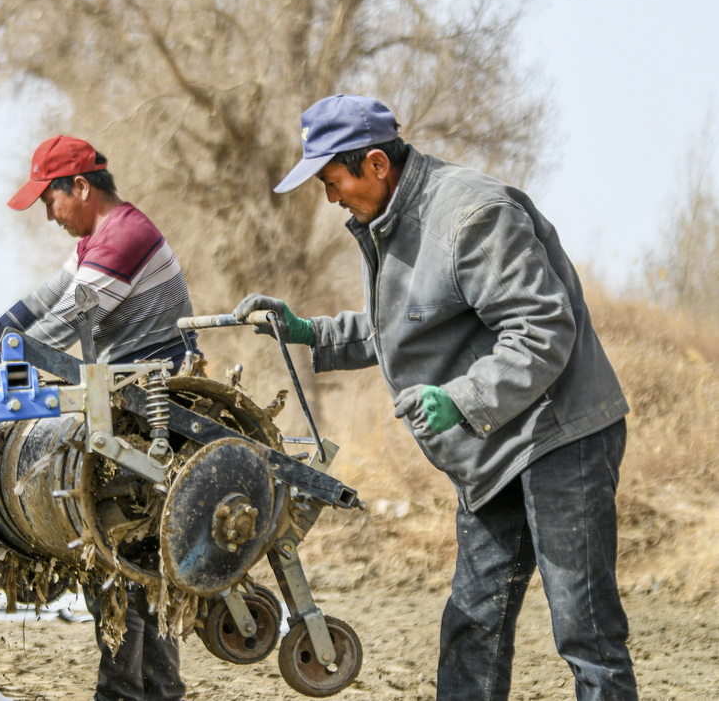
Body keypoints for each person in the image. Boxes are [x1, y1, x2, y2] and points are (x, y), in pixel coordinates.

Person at [234, 95, 637, 700]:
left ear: (375, 163)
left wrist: (463, 399)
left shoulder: (472, 214)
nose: (331, 197)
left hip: (560, 436)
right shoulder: (392, 223)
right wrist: (307, 331)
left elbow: (544, 331)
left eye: (332, 179)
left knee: (586, 632)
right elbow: (404, 326)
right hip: (495, 450)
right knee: (473, 624)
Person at [0, 135, 194, 701]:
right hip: (123, 397)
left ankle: (126, 693)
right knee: (133, 557)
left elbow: (64, 322)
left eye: (49, 200)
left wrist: (3, 364)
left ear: (80, 187)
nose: (47, 213)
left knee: (120, 554)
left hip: (150, 410)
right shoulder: (97, 240)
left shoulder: (126, 236)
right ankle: (157, 691)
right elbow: (40, 300)